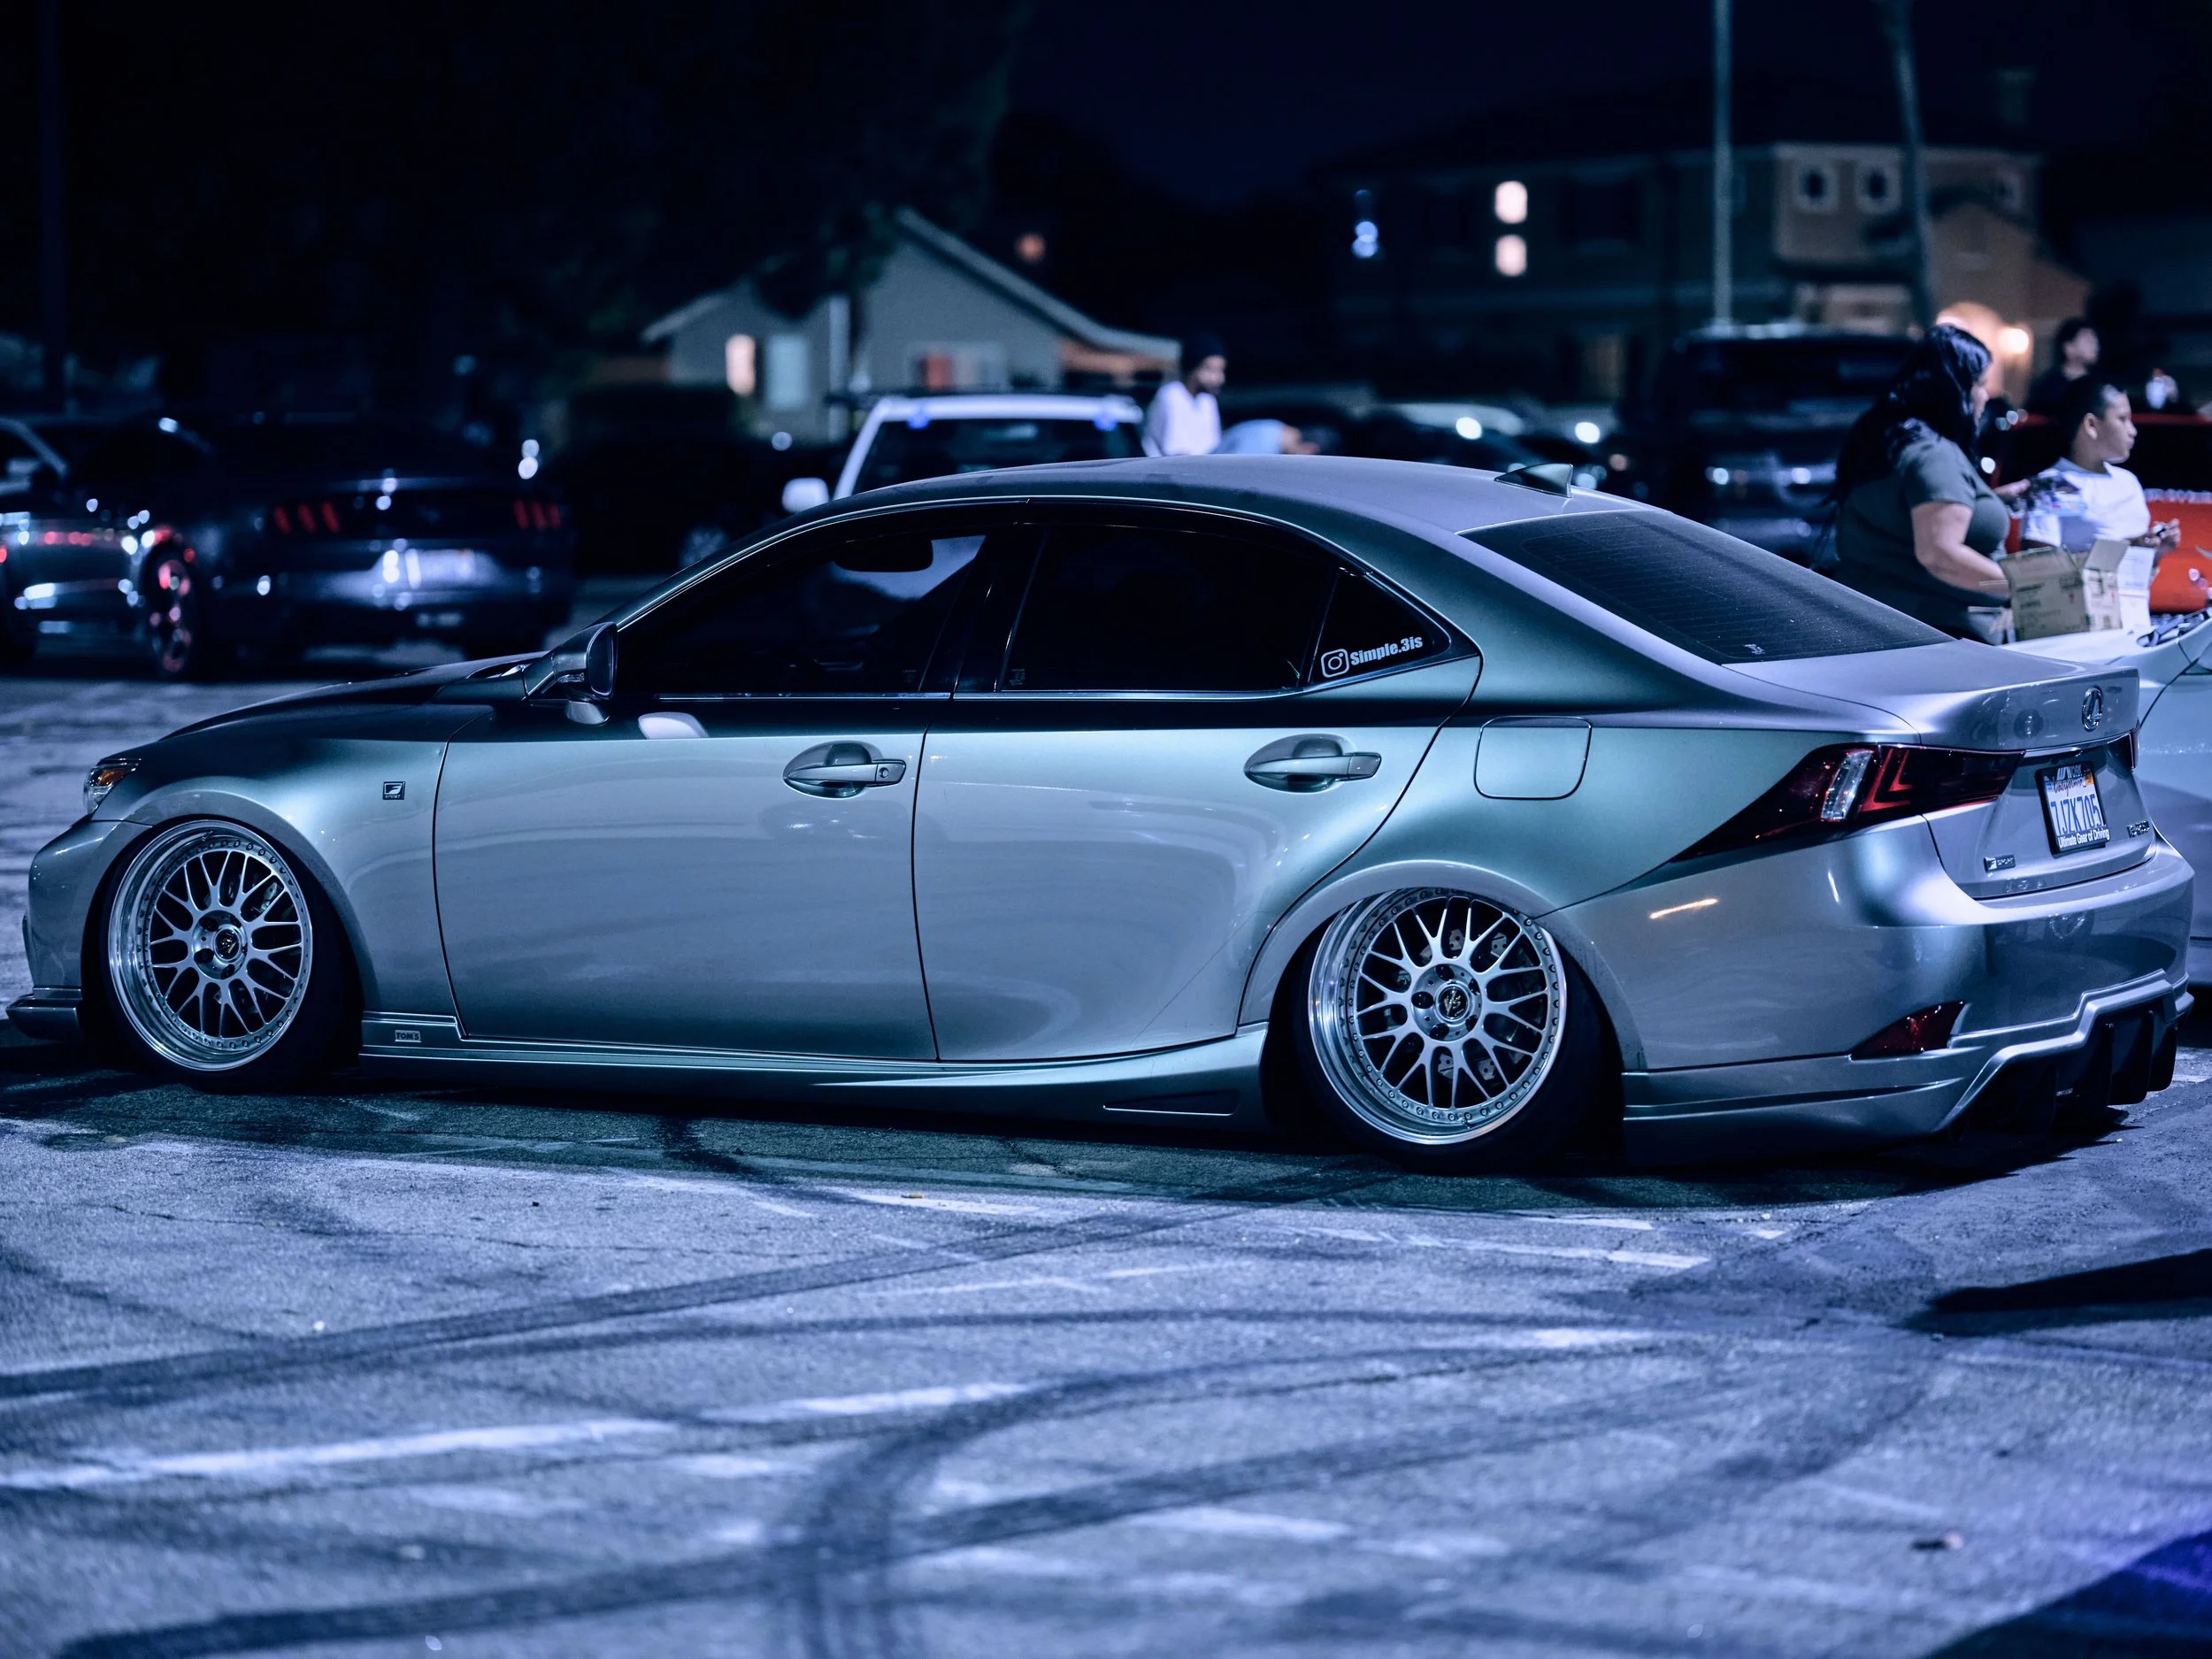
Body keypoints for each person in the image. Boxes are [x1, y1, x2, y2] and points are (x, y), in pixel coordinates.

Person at [1831, 323, 2025, 638]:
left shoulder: (1888, 437)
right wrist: (2026, 587)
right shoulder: (1933, 453)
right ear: (1954, 390)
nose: (1985, 396)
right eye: (1979, 384)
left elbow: (1908, 516)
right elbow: (1940, 555)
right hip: (1945, 635)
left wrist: (1991, 501)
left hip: (1887, 630)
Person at [2020, 375, 2180, 554]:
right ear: (2091, 425)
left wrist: (2156, 552)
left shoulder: (2128, 482)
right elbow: (2039, 570)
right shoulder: (2053, 485)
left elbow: (2138, 572)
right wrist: (2124, 549)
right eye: (2122, 419)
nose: (2133, 431)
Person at [1144, 334, 1225, 456]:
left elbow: (1214, 447)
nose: (1219, 378)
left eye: (1220, 371)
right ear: (1193, 368)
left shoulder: (1208, 401)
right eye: (1211, 370)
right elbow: (1175, 452)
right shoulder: (1171, 395)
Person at [2026, 317, 2099, 415]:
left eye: (2095, 341)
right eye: (2088, 341)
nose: (2095, 346)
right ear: (2068, 347)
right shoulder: (2048, 385)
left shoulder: (2098, 384)